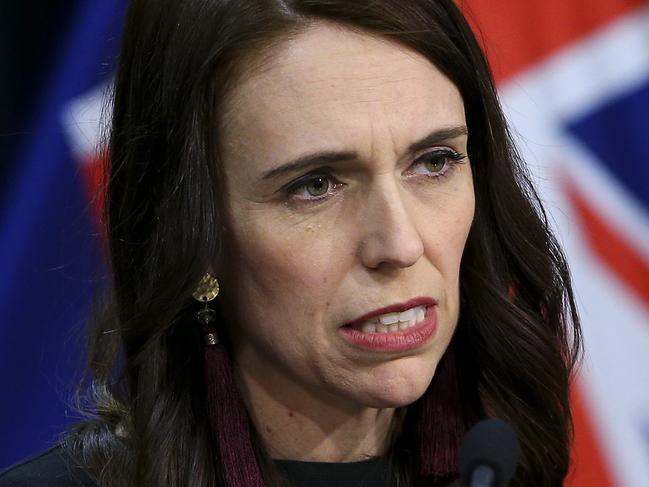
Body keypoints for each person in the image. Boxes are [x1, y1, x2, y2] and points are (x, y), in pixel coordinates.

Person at [0, 0, 582, 486]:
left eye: (433, 162)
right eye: (316, 185)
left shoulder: (506, 467)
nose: (401, 244)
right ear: (194, 237)